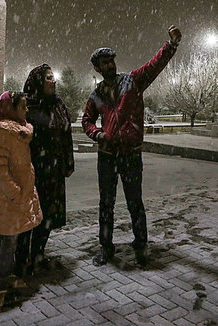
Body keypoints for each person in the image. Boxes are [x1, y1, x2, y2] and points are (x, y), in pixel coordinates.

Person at [82, 25, 182, 266]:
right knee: (106, 204)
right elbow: (87, 120)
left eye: (111, 61)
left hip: (131, 155)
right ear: (97, 68)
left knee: (134, 202)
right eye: (105, 63)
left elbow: (154, 66)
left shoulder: (132, 81)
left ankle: (141, 245)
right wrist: (97, 134)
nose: (110, 65)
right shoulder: (96, 95)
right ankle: (106, 248)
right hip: (106, 156)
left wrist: (171, 45)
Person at [14, 64, 75, 277]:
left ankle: (38, 253)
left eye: (53, 77)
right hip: (32, 170)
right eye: (49, 78)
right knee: (28, 215)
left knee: (47, 214)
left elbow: (66, 135)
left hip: (54, 170)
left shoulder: (58, 105)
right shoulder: (25, 105)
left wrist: (68, 161)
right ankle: (21, 259)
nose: (53, 81)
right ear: (38, 81)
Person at [0, 91, 43, 308]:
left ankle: (12, 276)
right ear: (11, 110)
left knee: (19, 238)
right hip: (11, 199)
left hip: (22, 195)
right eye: (23, 107)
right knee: (9, 243)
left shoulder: (21, 132)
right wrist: (16, 193)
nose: (27, 110)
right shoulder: (2, 133)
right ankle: (0, 287)